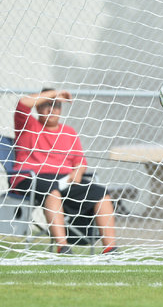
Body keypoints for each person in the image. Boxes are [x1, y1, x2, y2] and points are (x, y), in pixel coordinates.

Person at [12, 88, 117, 254]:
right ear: (38, 107)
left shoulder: (69, 132)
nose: (51, 109)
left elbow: (80, 162)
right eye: (46, 104)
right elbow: (23, 103)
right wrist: (56, 92)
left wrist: (79, 172)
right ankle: (63, 247)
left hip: (65, 180)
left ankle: (110, 249)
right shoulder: (28, 126)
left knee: (101, 193)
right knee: (52, 190)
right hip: (31, 178)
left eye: (56, 105)